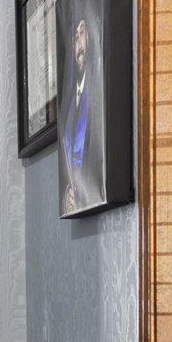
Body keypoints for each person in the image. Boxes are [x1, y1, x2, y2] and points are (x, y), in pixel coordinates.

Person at [61, 14, 105, 212]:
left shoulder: (98, 90)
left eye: (82, 33)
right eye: (75, 37)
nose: (79, 45)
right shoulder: (69, 102)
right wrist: (67, 197)